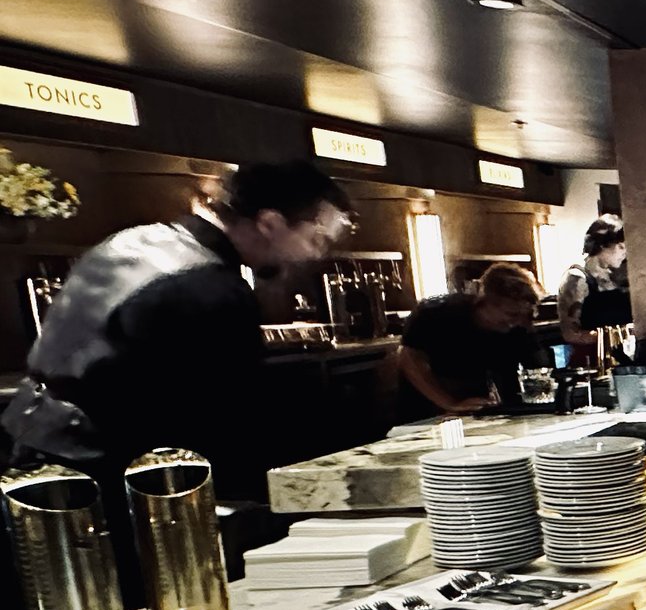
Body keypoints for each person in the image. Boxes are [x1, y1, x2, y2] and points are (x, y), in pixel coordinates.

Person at [3, 159, 352, 492]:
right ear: (270, 224)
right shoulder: (210, 288)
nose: (315, 256)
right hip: (102, 472)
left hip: (34, 450)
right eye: (316, 240)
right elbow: (220, 427)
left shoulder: (143, 239)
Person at [392, 264, 540, 420]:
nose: (516, 321)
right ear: (485, 301)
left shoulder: (518, 328)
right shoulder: (436, 313)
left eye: (524, 315)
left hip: (477, 412)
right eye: (511, 314)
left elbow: (536, 370)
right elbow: (409, 359)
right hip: (425, 411)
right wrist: (450, 404)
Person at [555, 216, 629, 366]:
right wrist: (615, 335)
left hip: (621, 360)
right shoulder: (576, 278)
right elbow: (570, 333)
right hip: (591, 361)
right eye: (621, 247)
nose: (625, 253)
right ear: (602, 245)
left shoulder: (614, 278)